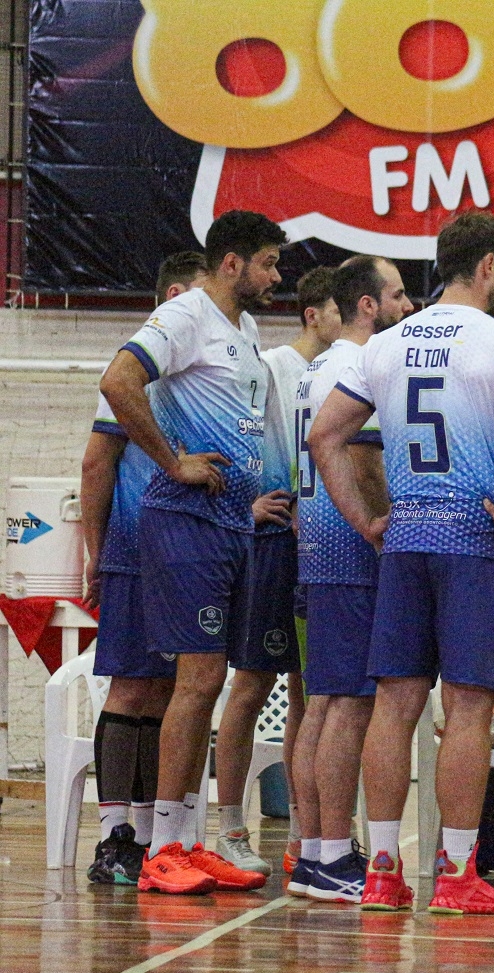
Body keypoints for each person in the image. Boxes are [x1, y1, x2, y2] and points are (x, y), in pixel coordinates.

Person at [310, 212, 494, 916]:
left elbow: (323, 435)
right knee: (470, 707)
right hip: (473, 543)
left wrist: (365, 522)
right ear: (487, 267)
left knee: (394, 705)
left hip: (406, 538)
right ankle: (455, 874)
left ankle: (383, 870)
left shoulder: (385, 346)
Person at [99, 211, 286, 894]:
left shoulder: (245, 329)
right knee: (198, 679)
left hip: (229, 524)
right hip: (184, 519)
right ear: (231, 262)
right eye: (268, 262)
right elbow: (118, 382)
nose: (276, 276)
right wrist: (173, 462)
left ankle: (183, 838)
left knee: (205, 683)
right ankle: (160, 852)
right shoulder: (185, 316)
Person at [287, 255, 412, 902]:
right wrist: (379, 523)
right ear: (369, 305)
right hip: (349, 552)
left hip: (319, 549)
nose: (408, 305)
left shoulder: (317, 366)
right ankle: (334, 853)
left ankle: (314, 851)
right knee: (350, 705)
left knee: (325, 703)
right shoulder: (360, 365)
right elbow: (359, 458)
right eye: (397, 295)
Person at [79, 251, 205, 885]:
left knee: (165, 692)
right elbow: (96, 465)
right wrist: (97, 553)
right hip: (133, 551)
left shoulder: (198, 374)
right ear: (177, 296)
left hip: (182, 555)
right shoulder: (137, 371)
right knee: (131, 688)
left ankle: (156, 835)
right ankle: (113, 837)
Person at [210, 266, 340, 877]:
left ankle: (307, 833)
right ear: (315, 312)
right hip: (272, 546)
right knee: (251, 685)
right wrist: (246, 507)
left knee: (312, 696)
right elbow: (235, 442)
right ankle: (229, 825)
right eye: (343, 308)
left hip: (321, 545)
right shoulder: (273, 368)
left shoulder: (348, 372)